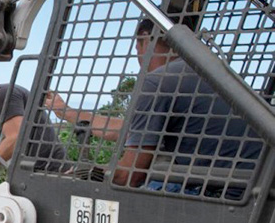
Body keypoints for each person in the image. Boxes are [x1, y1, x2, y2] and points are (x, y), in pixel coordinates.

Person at [45, 19, 262, 190]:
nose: (138, 57)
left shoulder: (157, 82)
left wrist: (87, 175)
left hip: (219, 193)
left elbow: (131, 175)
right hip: (255, 186)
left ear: (145, 40)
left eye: (137, 48)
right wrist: (66, 112)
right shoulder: (213, 76)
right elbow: (128, 129)